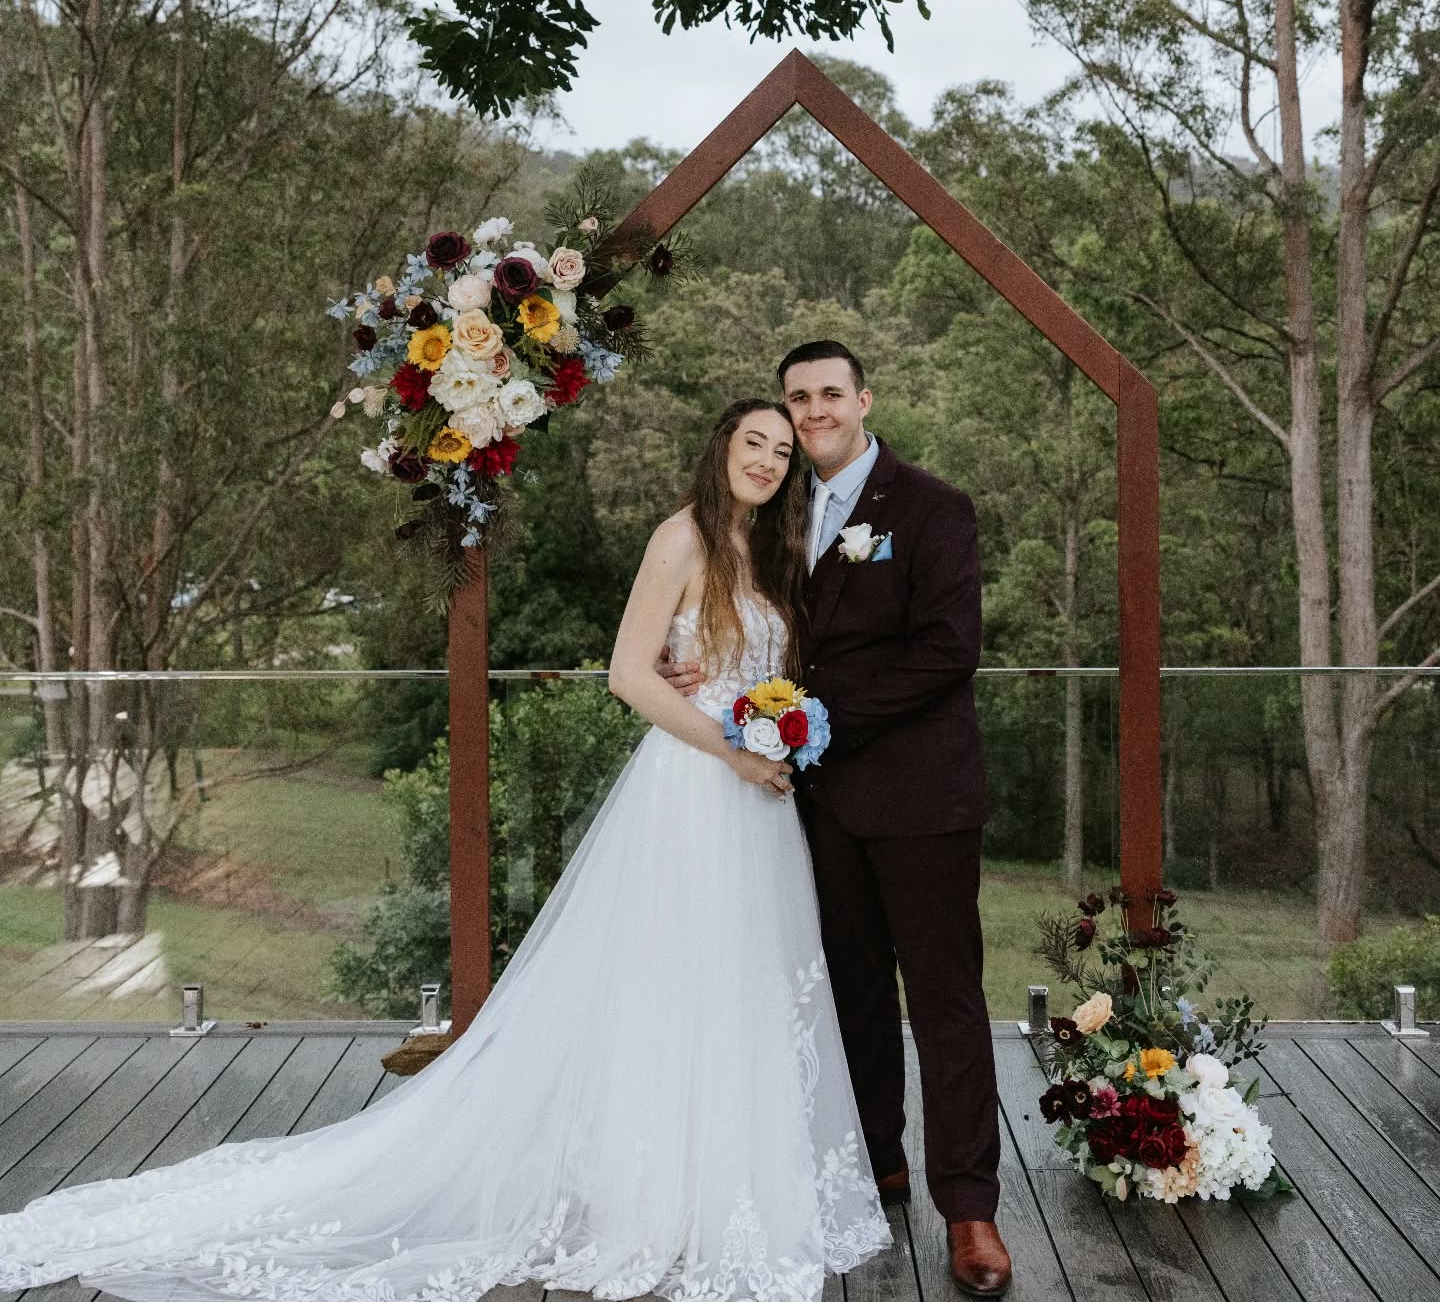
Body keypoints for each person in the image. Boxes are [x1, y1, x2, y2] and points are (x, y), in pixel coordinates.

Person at [0, 399, 891, 1302]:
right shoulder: (681, 538)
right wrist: (730, 748)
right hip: (695, 792)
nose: (769, 462)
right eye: (755, 444)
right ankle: (654, 1197)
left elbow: (767, 669)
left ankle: (728, 1186)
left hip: (759, 804)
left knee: (741, 987)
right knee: (669, 985)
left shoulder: (774, 550)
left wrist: (775, 731)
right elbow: (628, 674)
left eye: (782, 452)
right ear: (722, 449)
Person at [661, 344, 1010, 1297]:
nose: (811, 412)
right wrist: (686, 665)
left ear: (863, 401)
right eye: (795, 399)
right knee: (847, 989)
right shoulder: (775, 518)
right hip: (812, 804)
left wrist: (812, 721)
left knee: (943, 1001)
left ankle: (969, 1208)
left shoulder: (933, 508)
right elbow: (735, 622)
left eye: (827, 395)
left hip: (921, 796)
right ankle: (874, 1163)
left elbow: (949, 650)